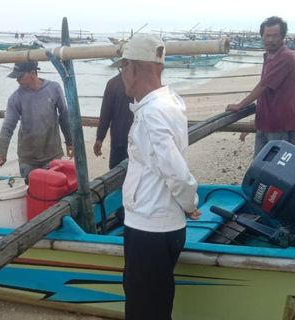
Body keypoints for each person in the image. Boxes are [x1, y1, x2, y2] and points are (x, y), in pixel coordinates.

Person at [111, 34, 201, 320]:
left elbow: (175, 170)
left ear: (134, 68)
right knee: (158, 299)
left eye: (122, 68)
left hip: (149, 225)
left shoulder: (151, 113)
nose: (122, 75)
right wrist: (185, 205)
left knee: (142, 306)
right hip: (166, 224)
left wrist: (190, 202)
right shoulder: (170, 101)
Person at [0, 61, 73, 179]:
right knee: (30, 191)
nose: (17, 80)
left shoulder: (54, 88)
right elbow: (7, 127)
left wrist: (70, 142)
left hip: (52, 154)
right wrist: (1, 154)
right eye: (16, 77)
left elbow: (64, 115)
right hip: (28, 159)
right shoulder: (16, 98)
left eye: (20, 76)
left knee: (53, 189)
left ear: (33, 73)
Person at [226, 16, 295, 156]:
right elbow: (266, 93)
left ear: (282, 36)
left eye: (275, 35)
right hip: (265, 121)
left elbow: (264, 85)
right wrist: (255, 122)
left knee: (275, 169)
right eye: (267, 35)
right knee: (260, 166)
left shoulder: (286, 57)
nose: (270, 39)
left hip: (279, 124)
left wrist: (240, 105)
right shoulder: (269, 56)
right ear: (262, 36)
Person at [93, 73, 134, 169]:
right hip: (124, 138)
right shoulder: (143, 83)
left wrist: (99, 138)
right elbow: (106, 113)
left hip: (120, 138)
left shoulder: (113, 83)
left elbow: (105, 113)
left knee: (117, 172)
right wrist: (99, 138)